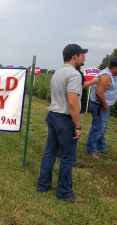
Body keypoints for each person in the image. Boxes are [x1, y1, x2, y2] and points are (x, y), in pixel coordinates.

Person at [37, 44, 87, 203]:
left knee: (50, 152)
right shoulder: (74, 74)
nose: (82, 58)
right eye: (81, 55)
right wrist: (78, 126)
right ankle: (65, 193)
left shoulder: (58, 72)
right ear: (74, 56)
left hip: (52, 114)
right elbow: (73, 102)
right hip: (65, 119)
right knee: (67, 157)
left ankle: (43, 184)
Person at [86, 58, 117, 159]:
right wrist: (104, 105)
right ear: (114, 68)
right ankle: (91, 150)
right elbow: (99, 92)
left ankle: (101, 148)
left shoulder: (112, 75)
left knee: (102, 128)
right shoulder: (106, 76)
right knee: (98, 128)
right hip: (100, 106)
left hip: (103, 106)